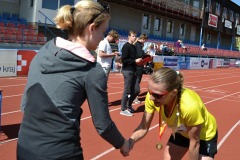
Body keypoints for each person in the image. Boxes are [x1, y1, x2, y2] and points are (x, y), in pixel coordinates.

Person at [17, 1, 131, 159]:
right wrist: (122, 144)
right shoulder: (91, 70)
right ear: (91, 28)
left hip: (24, 147)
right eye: (103, 31)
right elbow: (103, 126)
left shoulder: (44, 51)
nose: (102, 37)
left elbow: (25, 104)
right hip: (61, 152)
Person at [129, 67, 218, 159]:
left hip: (203, 135)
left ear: (173, 93)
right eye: (149, 91)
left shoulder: (190, 106)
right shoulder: (152, 96)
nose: (151, 98)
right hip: (181, 131)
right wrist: (130, 142)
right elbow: (143, 128)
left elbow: (194, 142)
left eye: (157, 95)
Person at [120, 30, 143, 116]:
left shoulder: (133, 47)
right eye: (133, 36)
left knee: (136, 90)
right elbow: (124, 60)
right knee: (127, 90)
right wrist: (134, 61)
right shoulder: (126, 46)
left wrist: (142, 60)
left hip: (134, 70)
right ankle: (123, 109)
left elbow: (136, 58)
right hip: (127, 70)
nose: (134, 38)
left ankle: (128, 105)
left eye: (135, 36)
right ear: (128, 36)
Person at [133, 33, 148, 104]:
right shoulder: (138, 45)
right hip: (138, 66)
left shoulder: (138, 45)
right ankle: (134, 98)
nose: (145, 42)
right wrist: (147, 56)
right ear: (143, 39)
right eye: (145, 40)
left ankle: (134, 97)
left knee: (136, 82)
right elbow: (140, 55)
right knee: (137, 82)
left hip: (138, 65)